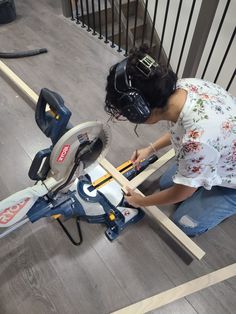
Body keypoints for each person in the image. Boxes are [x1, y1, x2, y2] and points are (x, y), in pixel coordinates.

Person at [104, 45, 236, 237]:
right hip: (216, 152)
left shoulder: (197, 142)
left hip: (231, 178)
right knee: (167, 184)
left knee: (183, 223)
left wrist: (139, 201)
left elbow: (181, 192)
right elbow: (181, 131)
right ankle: (203, 177)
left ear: (137, 110)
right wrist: (150, 149)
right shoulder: (185, 87)